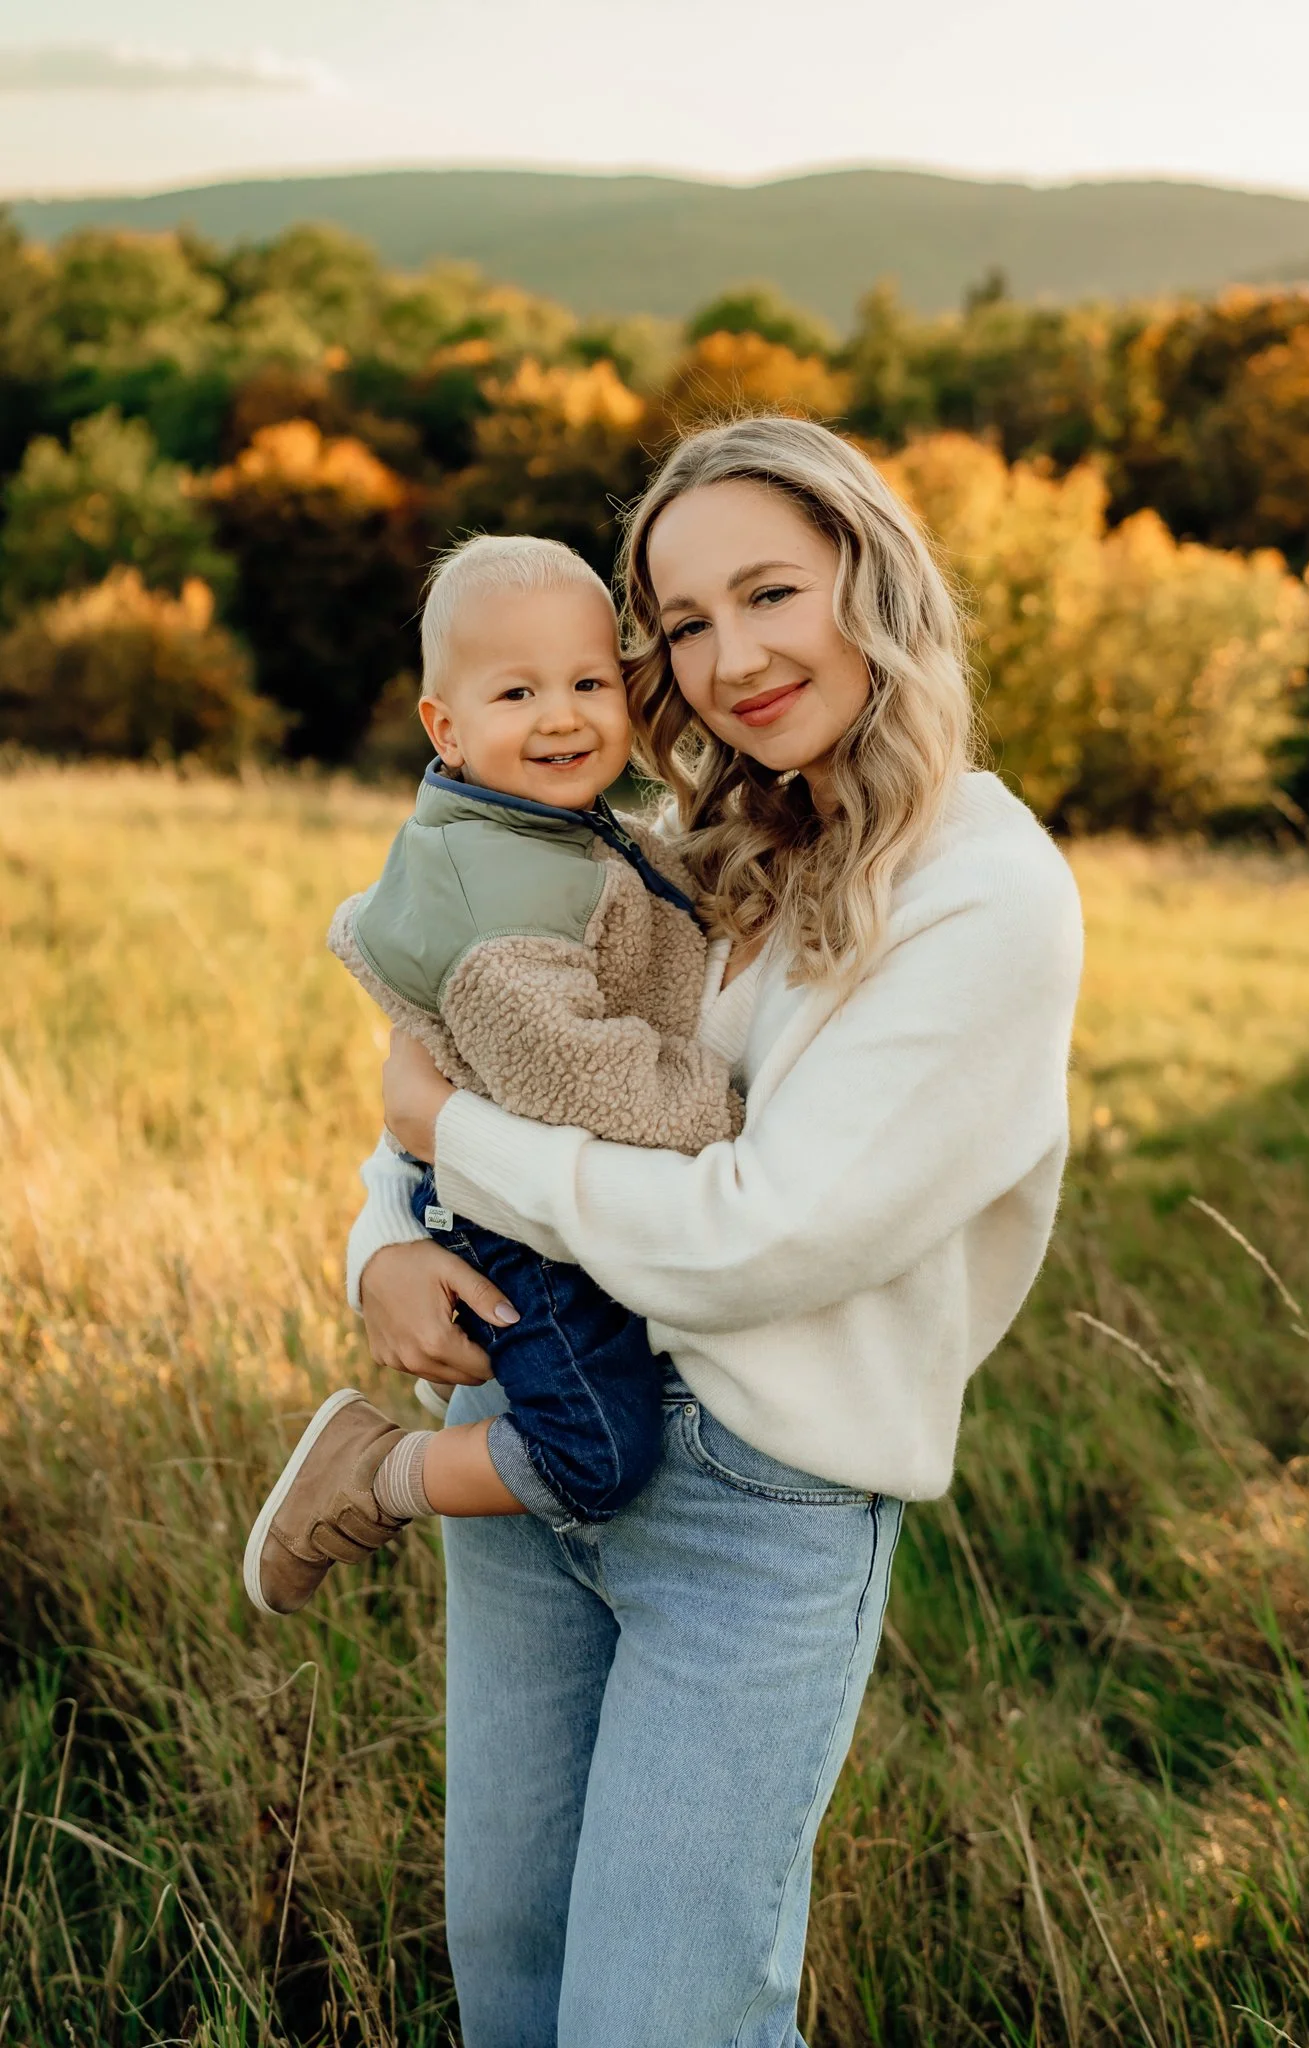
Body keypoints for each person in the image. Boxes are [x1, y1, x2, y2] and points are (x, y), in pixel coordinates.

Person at [353, 416, 1084, 2048]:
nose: (735, 656)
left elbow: (760, 1235)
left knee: (658, 2017)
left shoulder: (989, 888)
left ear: (869, 578)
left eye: (770, 591)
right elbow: (474, 1053)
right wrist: (383, 1241)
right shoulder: (686, 843)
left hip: (759, 1504)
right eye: (684, 623)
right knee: (515, 1976)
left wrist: (448, 1137)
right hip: (526, 1428)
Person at [243, 535, 744, 1617]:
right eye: (518, 691)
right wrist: (735, 1113)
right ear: (445, 725)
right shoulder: (494, 898)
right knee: (601, 1453)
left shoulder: (542, 824)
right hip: (517, 1227)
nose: (562, 715)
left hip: (542, 1189)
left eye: (588, 682)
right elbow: (585, 1078)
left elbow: (646, 888)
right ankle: (375, 1472)